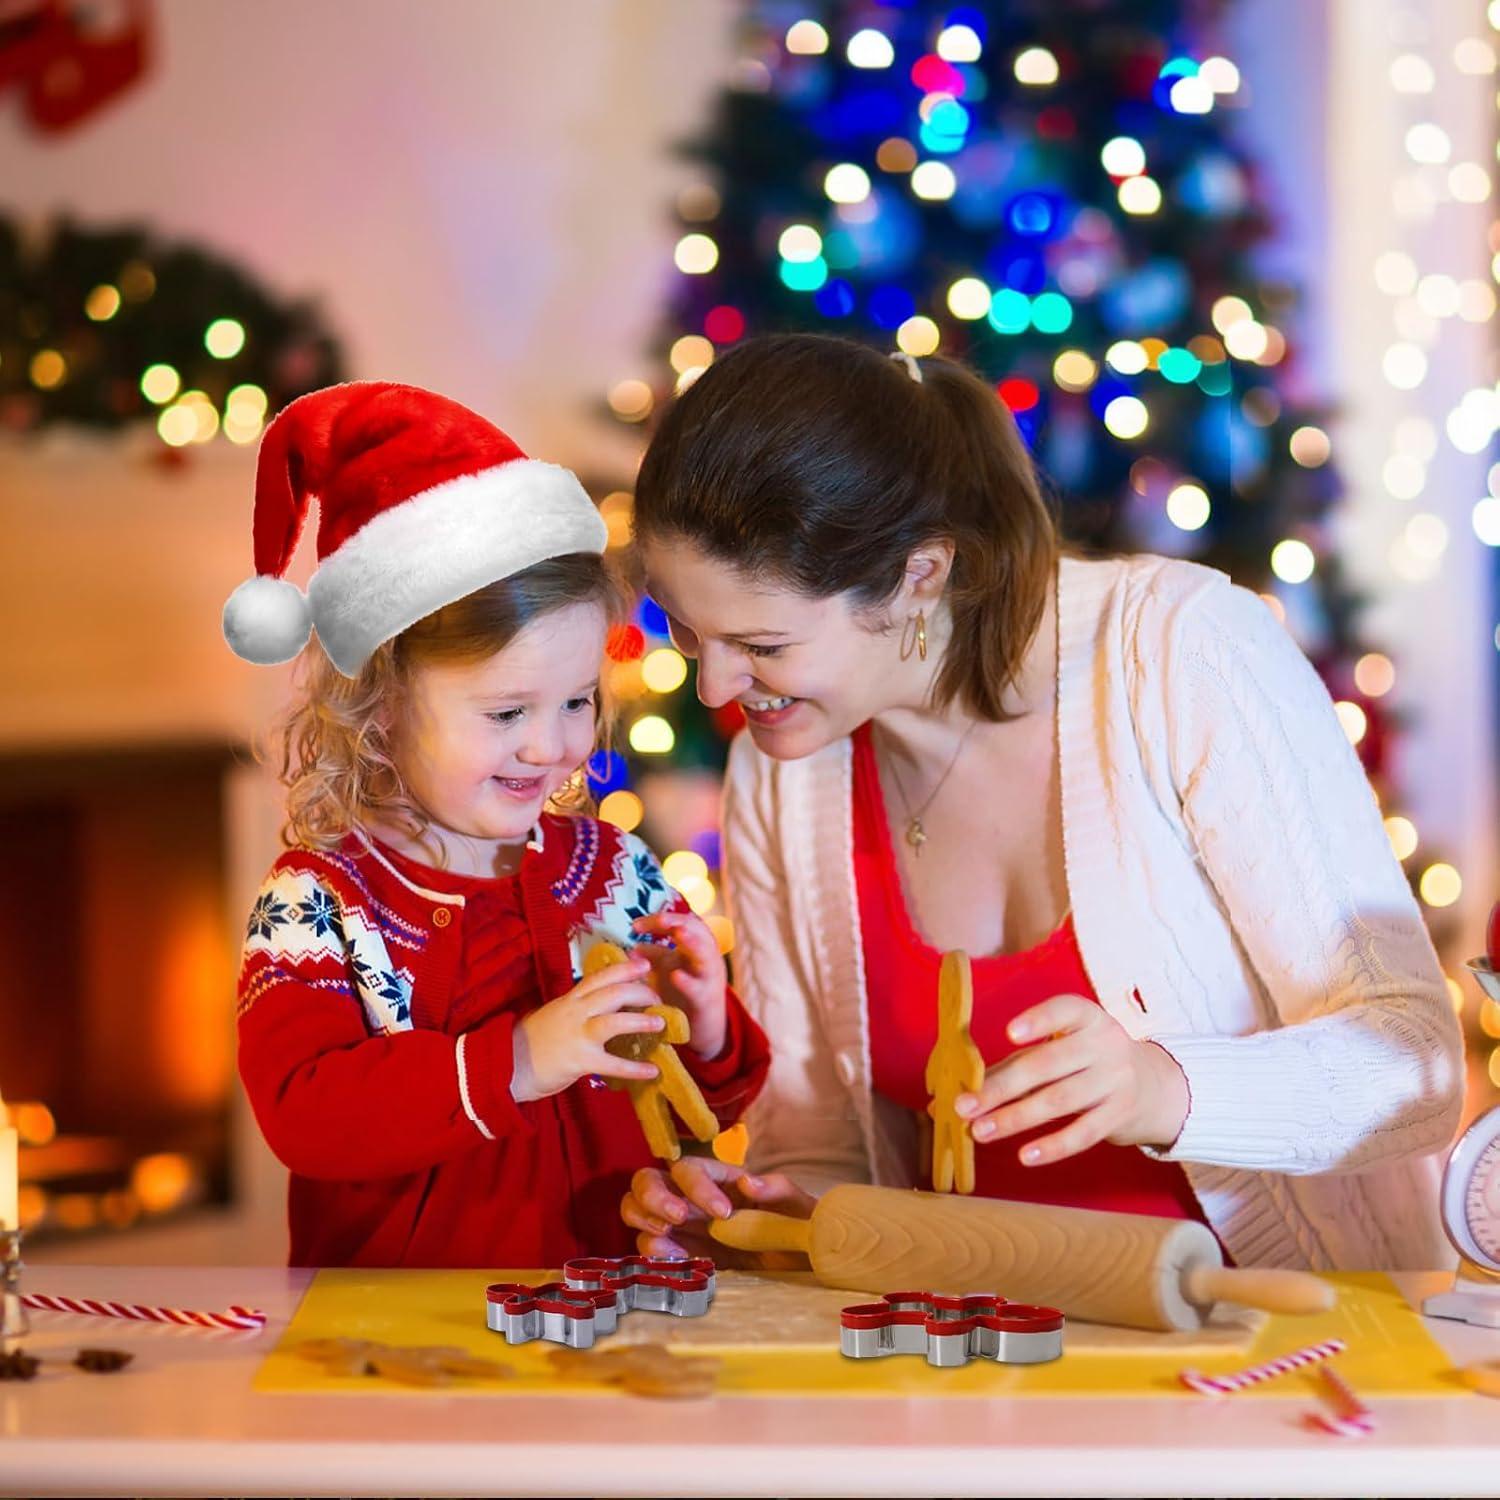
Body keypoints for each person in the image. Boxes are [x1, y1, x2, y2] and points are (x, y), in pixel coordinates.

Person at [619, 333, 1463, 1271]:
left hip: (1291, 1350)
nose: (716, 687)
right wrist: (768, 1217)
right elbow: (822, 1147)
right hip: (981, 1365)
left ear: (919, 575)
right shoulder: (785, 773)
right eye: (691, 633)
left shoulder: (1182, 652)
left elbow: (1416, 1062)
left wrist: (1164, 1088)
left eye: (763, 644)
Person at [223, 381, 768, 1267]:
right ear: (383, 706)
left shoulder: (610, 868)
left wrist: (704, 1022)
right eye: (508, 713)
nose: (552, 746)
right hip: (398, 1341)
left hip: (609, 1308)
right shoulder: (320, 903)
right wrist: (517, 1061)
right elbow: (304, 1112)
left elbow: (695, 1100)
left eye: (578, 701)